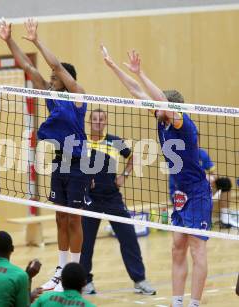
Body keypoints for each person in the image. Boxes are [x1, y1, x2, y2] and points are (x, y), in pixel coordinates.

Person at [101, 45, 211, 307]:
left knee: (197, 248)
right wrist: (114, 66)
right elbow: (135, 91)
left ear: (171, 108)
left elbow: (159, 99)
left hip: (197, 191)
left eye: (160, 105)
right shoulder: (161, 119)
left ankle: (194, 303)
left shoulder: (182, 123)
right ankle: (176, 302)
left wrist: (142, 72)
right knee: (177, 247)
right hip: (180, 192)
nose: (154, 107)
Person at [0, 18, 90, 291]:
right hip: (59, 160)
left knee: (74, 218)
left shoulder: (77, 95)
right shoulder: (51, 96)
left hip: (79, 163)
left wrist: (37, 40)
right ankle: (61, 272)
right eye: (49, 79)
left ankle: (76, 272)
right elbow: (26, 67)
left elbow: (57, 66)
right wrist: (8, 40)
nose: (50, 80)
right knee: (60, 217)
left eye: (54, 78)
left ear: (65, 79)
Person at [80, 108, 156, 295]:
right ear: (89, 121)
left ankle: (139, 280)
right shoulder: (81, 142)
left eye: (101, 119)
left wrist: (124, 176)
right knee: (86, 242)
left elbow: (132, 158)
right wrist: (83, 179)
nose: (98, 122)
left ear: (105, 122)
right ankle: (85, 281)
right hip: (90, 198)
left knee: (128, 236)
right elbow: (73, 165)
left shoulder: (114, 141)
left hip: (112, 197)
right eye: (95, 119)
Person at [169, 145, 236, 228]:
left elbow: (214, 174)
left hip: (201, 188)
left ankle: (225, 219)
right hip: (182, 191)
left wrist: (210, 178)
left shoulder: (201, 153)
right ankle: (191, 220)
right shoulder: (180, 156)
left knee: (224, 183)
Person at [31, 262, 96, 307]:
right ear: (84, 283)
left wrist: (29, 297)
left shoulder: (45, 298)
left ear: (61, 281)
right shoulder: (89, 306)